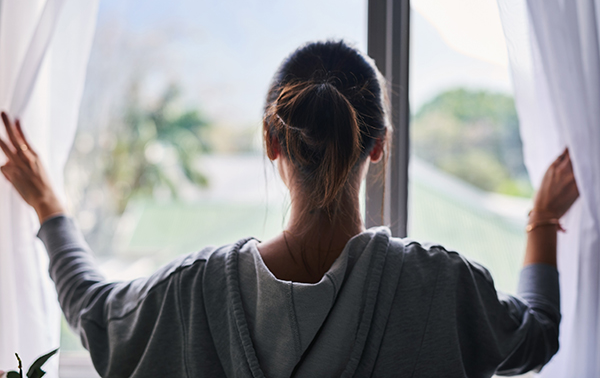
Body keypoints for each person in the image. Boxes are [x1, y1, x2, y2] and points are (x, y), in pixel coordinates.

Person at [0, 41, 579, 377]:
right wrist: (543, 221)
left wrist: (49, 207)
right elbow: (537, 333)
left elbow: (92, 312)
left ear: (271, 141)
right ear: (378, 146)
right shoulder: (443, 288)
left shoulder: (188, 293)